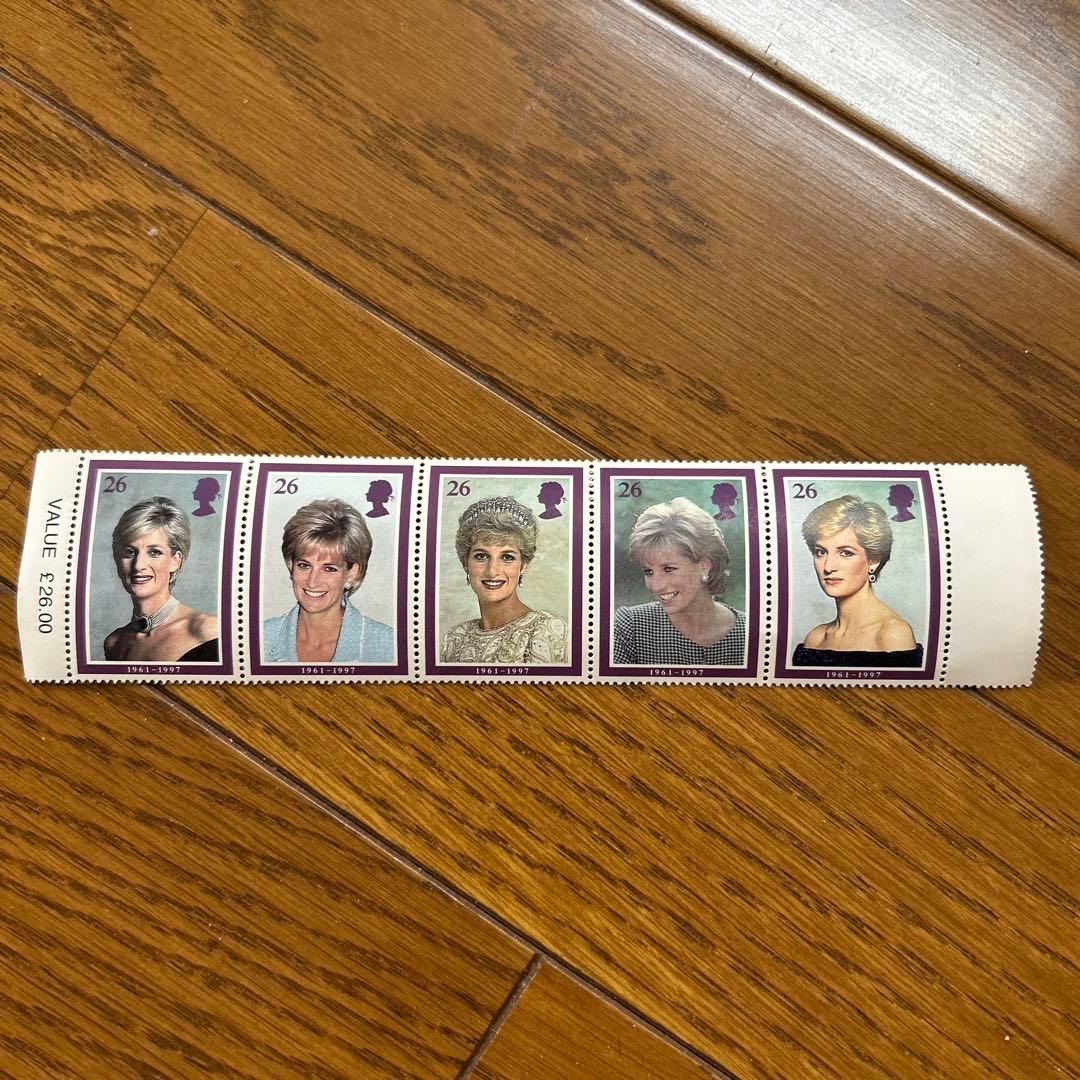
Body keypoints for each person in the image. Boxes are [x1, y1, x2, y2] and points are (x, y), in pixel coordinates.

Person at [613, 497, 746, 665]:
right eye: (648, 571)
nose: (656, 586)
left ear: (704, 566)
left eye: (669, 569)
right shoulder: (630, 627)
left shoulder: (748, 631)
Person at [793, 495, 922, 667]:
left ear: (873, 560)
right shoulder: (815, 639)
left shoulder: (893, 635)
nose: (828, 567)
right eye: (820, 552)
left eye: (846, 553)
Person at [262, 499, 393, 663]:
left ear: (352, 572)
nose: (312, 582)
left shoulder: (389, 646)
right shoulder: (260, 637)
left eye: (329, 569)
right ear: (290, 564)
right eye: (304, 565)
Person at [442, 496, 568, 663]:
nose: (492, 571)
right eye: (481, 556)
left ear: (523, 565)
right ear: (465, 563)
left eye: (507, 557)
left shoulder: (545, 629)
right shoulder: (454, 638)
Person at [103, 497, 219, 662]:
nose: (138, 565)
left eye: (154, 552)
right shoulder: (114, 643)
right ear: (117, 559)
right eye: (129, 552)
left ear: (175, 560)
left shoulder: (208, 631)